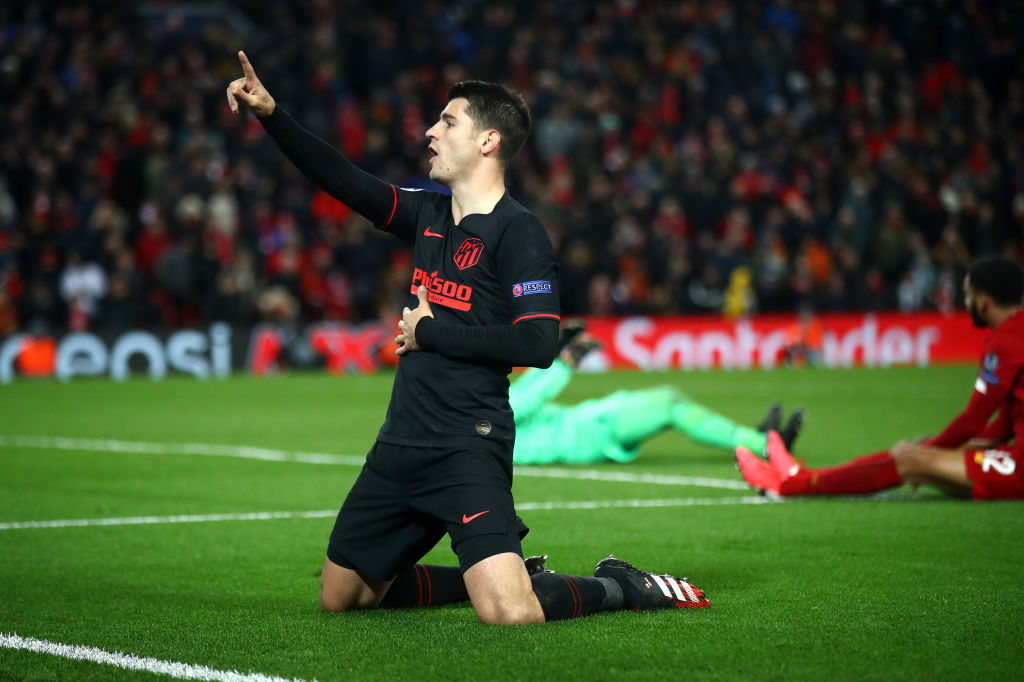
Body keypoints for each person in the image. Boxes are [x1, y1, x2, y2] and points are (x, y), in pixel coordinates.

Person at [227, 52, 709, 624]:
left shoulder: (519, 231)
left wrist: (432, 332)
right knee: (343, 598)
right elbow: (342, 179)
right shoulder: (427, 215)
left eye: (448, 121)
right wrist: (272, 115)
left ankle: (621, 586)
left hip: (466, 443)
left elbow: (539, 343)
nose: (431, 132)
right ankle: (499, 575)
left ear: (488, 141)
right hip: (401, 441)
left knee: (510, 613)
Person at [735, 256, 1024, 501]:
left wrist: (929, 450)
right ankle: (802, 476)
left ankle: (794, 485)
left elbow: (973, 421)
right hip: (1015, 456)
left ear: (983, 302)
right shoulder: (1017, 330)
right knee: (915, 455)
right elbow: (1002, 425)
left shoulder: (1005, 341)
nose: (966, 302)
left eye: (968, 295)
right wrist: (933, 447)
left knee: (912, 459)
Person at [512, 320, 804, 465]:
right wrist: (568, 360)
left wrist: (557, 350)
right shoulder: (494, 415)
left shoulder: (492, 411)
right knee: (669, 404)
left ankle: (751, 437)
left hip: (589, 423)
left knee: (672, 399)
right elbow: (530, 398)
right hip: (589, 433)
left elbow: (525, 391)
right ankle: (764, 445)